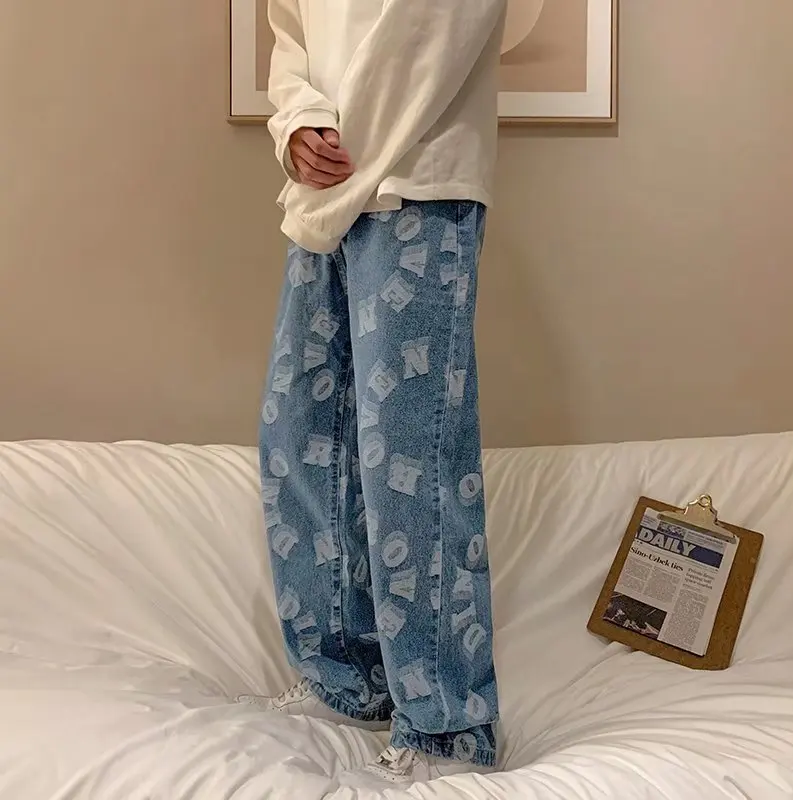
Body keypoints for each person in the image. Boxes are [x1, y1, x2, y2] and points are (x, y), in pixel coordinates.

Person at [238, 0, 509, 788]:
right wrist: (297, 122)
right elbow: (290, 29)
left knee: (410, 461)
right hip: (330, 187)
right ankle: (349, 679)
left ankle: (448, 726)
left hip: (419, 184)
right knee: (301, 436)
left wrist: (332, 173)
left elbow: (423, 39)